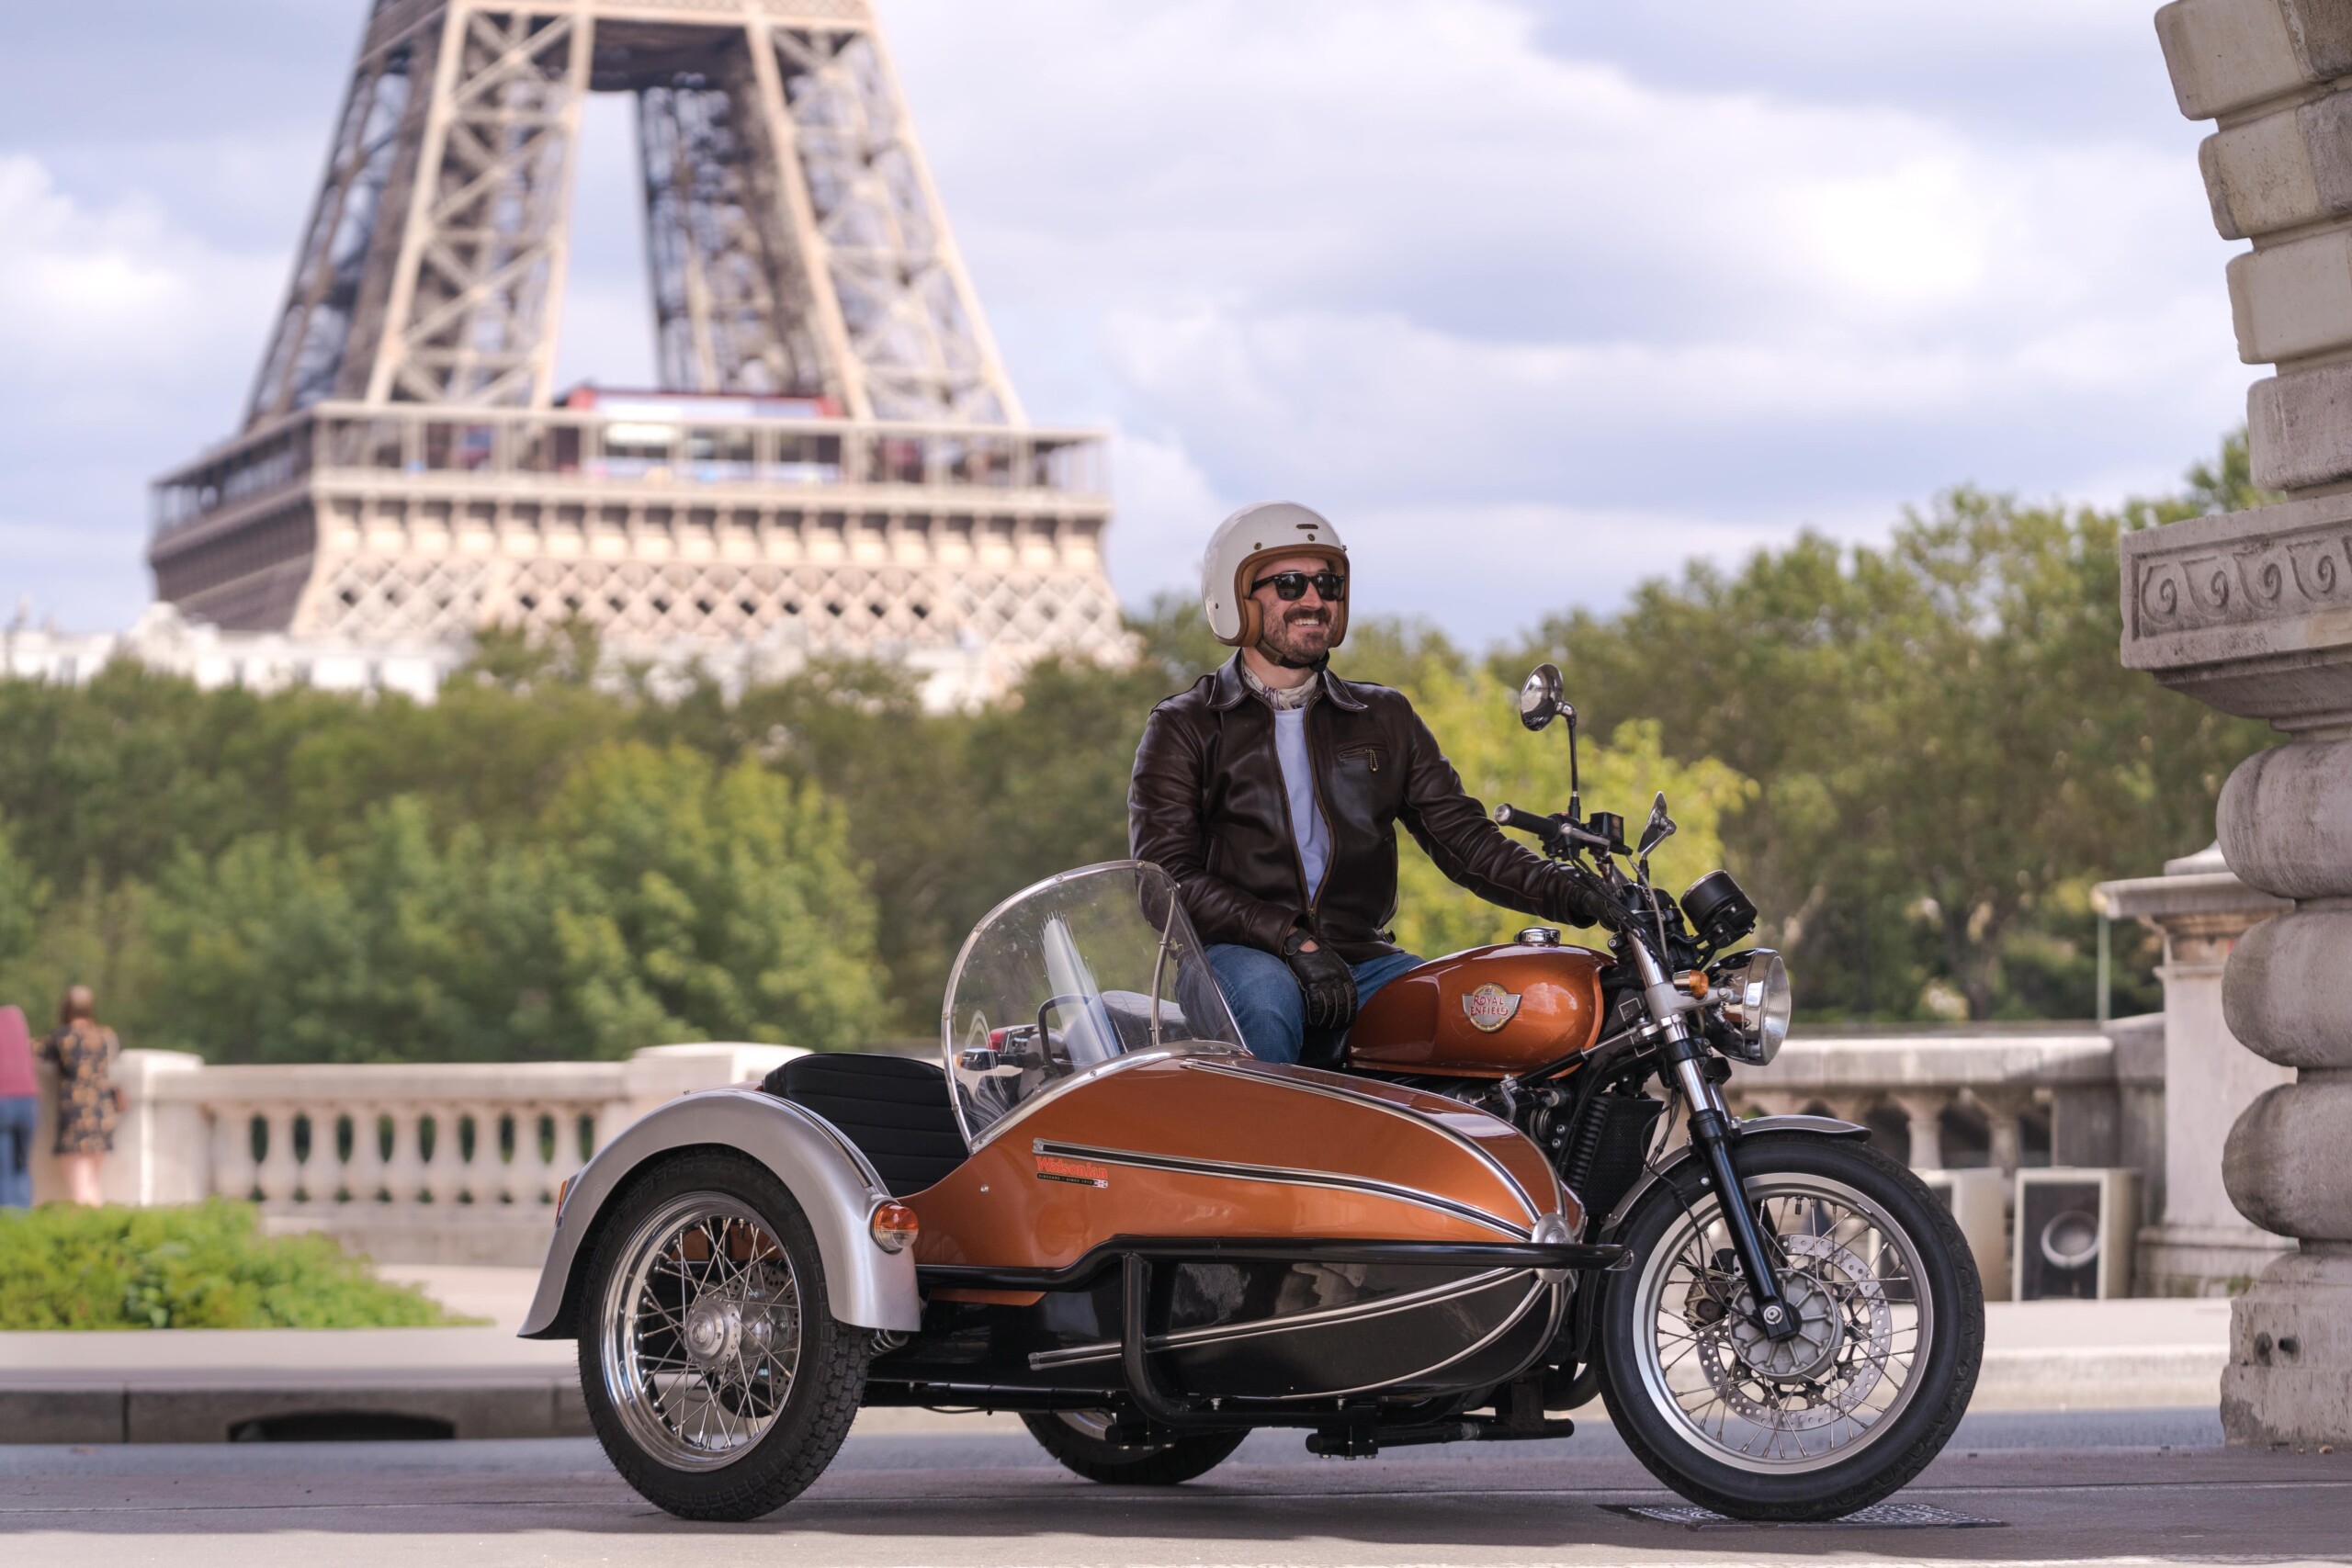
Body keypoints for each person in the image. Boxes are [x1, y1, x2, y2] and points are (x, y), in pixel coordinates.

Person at [1129, 502, 1617, 1064]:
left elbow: (1468, 843)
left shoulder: (1383, 716)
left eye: (1328, 584)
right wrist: (1289, 939)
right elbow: (1165, 881)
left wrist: (1581, 894)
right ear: (1236, 598)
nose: (1314, 600)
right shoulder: (1187, 724)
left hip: (1362, 958)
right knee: (1266, 997)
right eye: (1290, 584)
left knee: (1483, 1011)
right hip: (1237, 958)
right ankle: (1273, 1151)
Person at [40, 987, 119, 1207]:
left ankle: (85, 1234)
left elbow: (38, 1053)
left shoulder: (64, 1036)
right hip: (103, 1113)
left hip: (76, 1114)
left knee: (79, 1185)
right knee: (92, 1182)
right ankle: (100, 1233)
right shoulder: (106, 1035)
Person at [0, 1005, 36, 1208]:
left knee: (3, 1171)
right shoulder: (15, 1016)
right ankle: (23, 1223)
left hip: (2, 1100)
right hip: (28, 1099)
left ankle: (6, 1226)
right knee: (21, 1168)